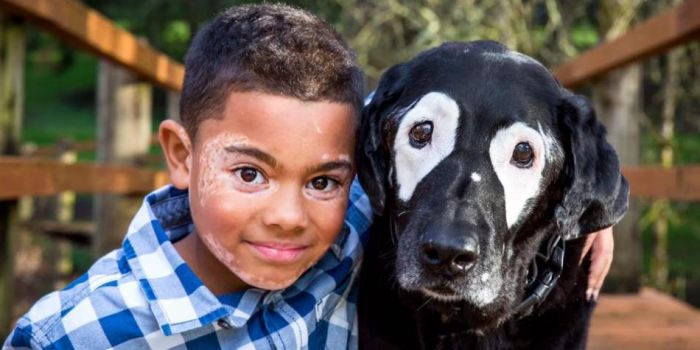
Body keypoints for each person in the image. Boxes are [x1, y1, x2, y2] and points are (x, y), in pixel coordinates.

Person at [3, 3, 614, 349]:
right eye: (249, 172)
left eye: (323, 180)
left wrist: (580, 210)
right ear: (181, 156)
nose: (288, 215)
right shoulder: (69, 335)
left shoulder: (339, 236)